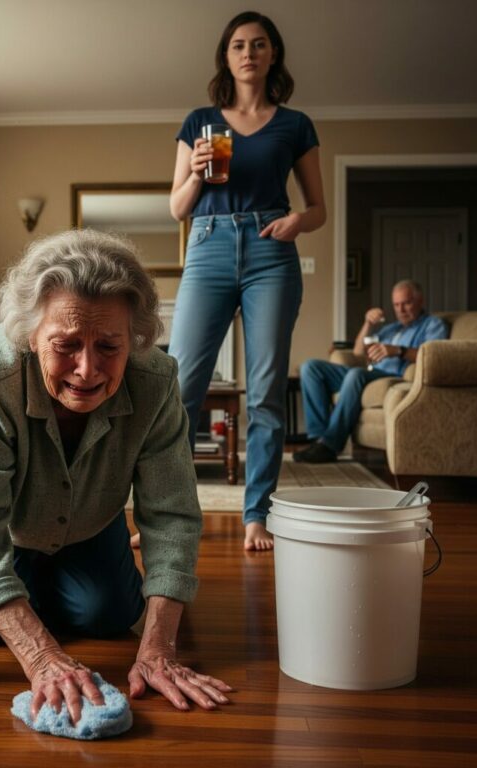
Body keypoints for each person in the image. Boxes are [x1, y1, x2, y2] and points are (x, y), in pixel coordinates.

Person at [0, 229, 232, 726]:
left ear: (135, 339)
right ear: (30, 336)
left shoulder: (156, 381)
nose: (87, 370)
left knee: (108, 615)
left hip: (87, 508)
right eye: (65, 345)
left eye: (109, 346)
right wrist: (40, 655)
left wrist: (159, 648)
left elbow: (172, 513)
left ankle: (37, 571)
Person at [168, 11, 326, 551]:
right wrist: (196, 172)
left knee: (264, 393)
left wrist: (297, 221)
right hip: (208, 244)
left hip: (270, 251)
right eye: (238, 45)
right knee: (181, 388)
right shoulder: (199, 122)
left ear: (272, 53)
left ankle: (257, 513)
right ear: (226, 56)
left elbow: (319, 207)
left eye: (258, 44)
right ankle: (170, 515)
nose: (248, 53)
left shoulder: (295, 125)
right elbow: (177, 208)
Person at [294, 279, 448, 463]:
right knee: (311, 367)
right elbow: (359, 352)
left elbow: (433, 355)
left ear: (420, 301)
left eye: (406, 303)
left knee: (356, 374)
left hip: (394, 377)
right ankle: (318, 440)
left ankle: (330, 444)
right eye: (396, 305)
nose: (401, 310)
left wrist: (398, 350)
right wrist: (367, 323)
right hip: (371, 373)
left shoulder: (433, 324)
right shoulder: (392, 328)